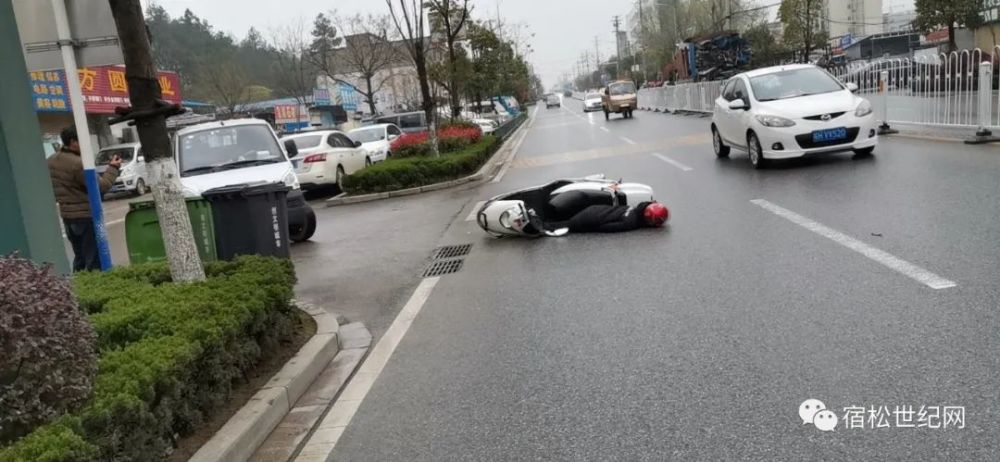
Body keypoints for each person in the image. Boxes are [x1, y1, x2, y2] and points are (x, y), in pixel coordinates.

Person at [47, 126, 121, 271]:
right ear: (73, 141)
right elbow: (101, 186)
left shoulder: (51, 160)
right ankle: (96, 289)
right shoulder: (78, 163)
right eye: (83, 140)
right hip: (85, 216)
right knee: (94, 259)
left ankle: (78, 287)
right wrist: (113, 168)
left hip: (68, 216)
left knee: (80, 257)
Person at [545, 190, 669, 234]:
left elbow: (644, 204)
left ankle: (546, 220)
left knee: (568, 218)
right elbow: (609, 227)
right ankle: (542, 227)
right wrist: (591, 229)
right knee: (568, 225)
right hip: (592, 219)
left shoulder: (636, 208)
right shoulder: (632, 223)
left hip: (595, 209)